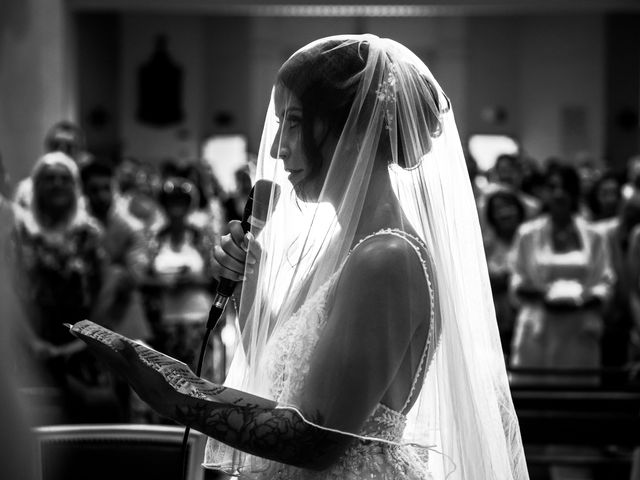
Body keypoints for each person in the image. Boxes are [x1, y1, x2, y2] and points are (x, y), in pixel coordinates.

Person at [80, 35, 527, 479]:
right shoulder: (350, 247)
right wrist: (246, 280)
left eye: (293, 122)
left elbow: (314, 439)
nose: (277, 149)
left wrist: (179, 398)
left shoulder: (386, 257)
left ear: (350, 127)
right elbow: (286, 377)